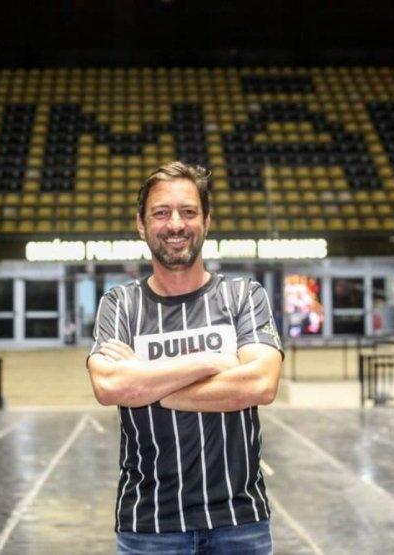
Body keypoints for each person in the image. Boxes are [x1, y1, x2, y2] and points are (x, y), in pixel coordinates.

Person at [86, 161, 284, 554]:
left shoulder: (244, 296)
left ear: (206, 221)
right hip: (149, 525)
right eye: (161, 213)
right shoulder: (120, 304)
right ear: (141, 224)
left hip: (239, 521)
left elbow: (261, 384)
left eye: (188, 212)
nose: (175, 224)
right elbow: (110, 387)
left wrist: (146, 381)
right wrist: (212, 361)